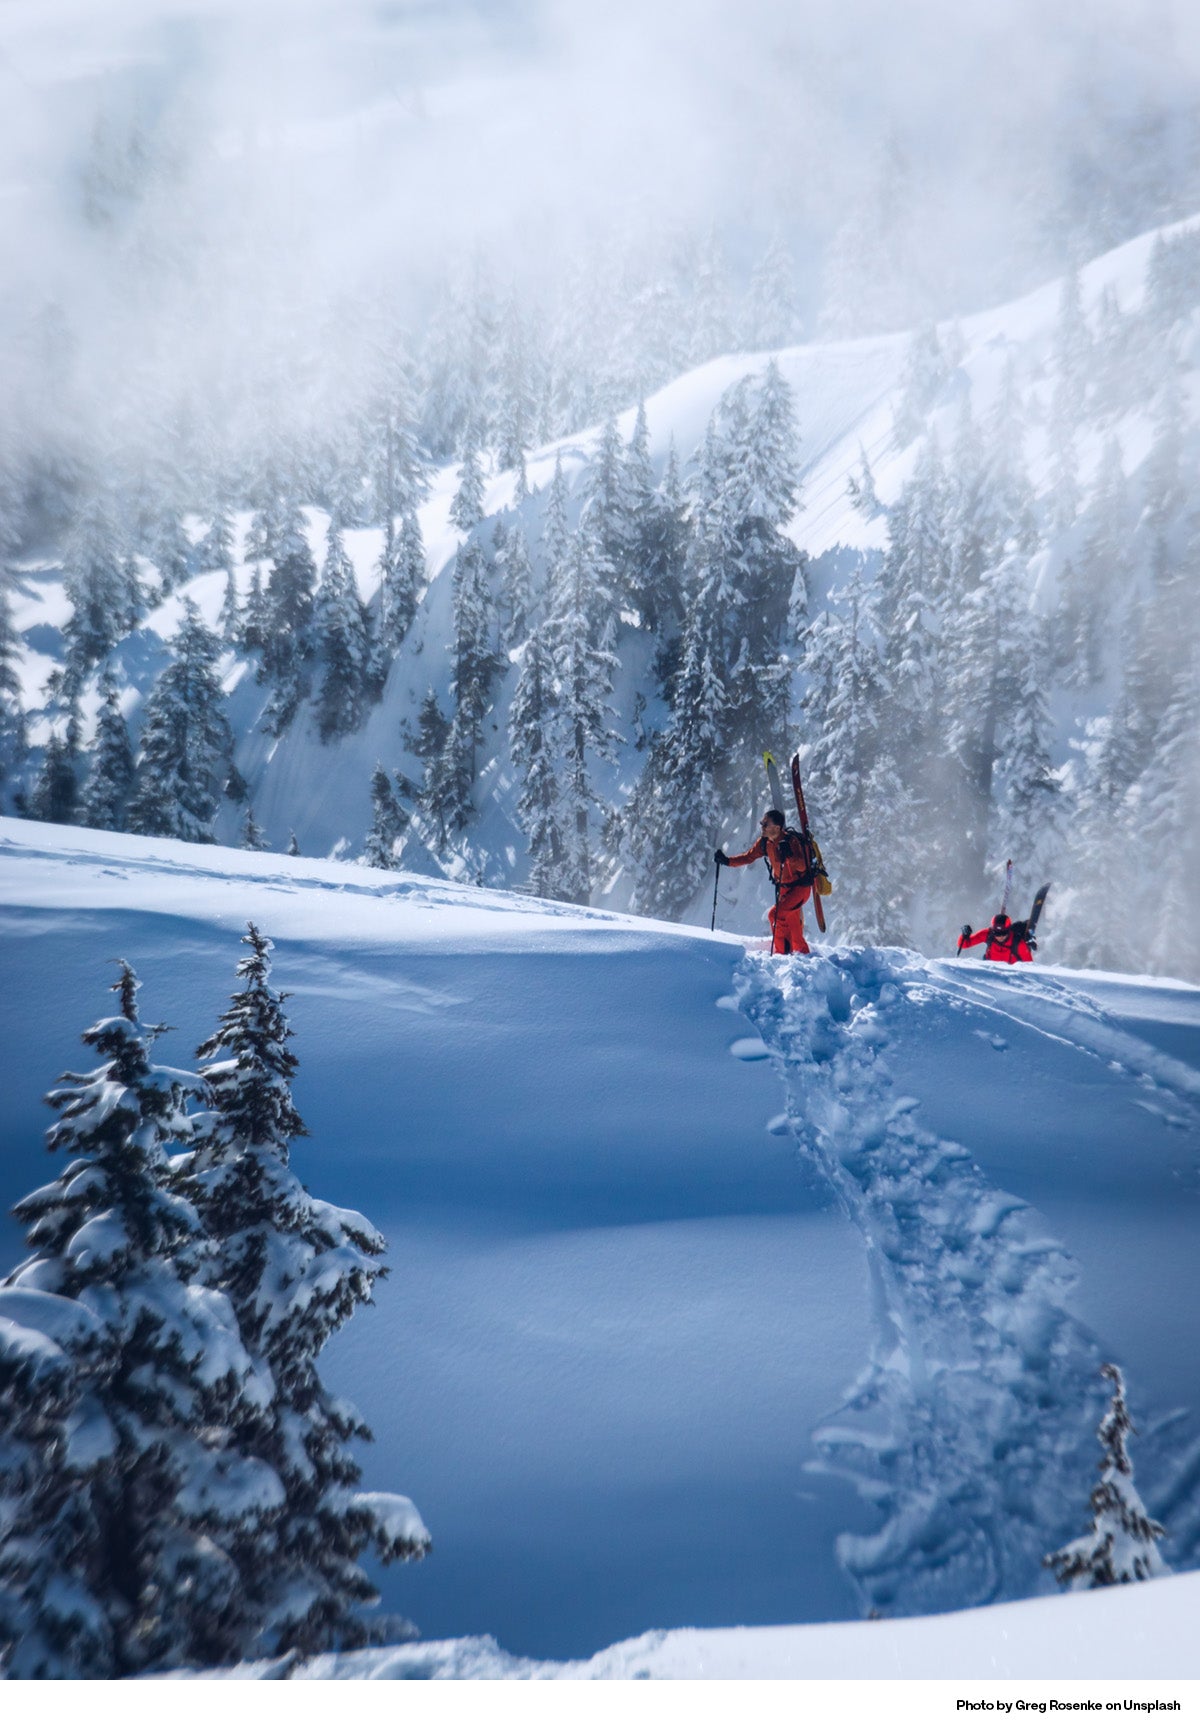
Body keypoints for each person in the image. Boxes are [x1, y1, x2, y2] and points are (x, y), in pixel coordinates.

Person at [716, 809, 816, 955]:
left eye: (765, 824)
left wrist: (789, 855)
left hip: (799, 889)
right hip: (784, 889)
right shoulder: (765, 843)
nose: (761, 826)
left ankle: (782, 955)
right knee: (794, 929)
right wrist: (727, 861)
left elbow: (803, 866)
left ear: (776, 828)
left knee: (775, 915)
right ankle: (805, 957)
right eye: (762, 823)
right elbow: (748, 857)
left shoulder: (791, 842)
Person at [958, 911, 1035, 963]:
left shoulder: (1018, 943)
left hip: (1011, 979)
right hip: (990, 973)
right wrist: (964, 935)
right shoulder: (988, 935)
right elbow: (964, 944)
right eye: (997, 933)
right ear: (993, 931)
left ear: (1009, 930)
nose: (1000, 936)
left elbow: (1029, 966)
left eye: (1004, 933)